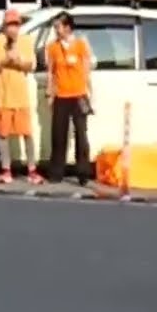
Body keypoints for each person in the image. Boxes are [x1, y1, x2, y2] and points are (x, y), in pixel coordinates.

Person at [0, 9, 43, 184]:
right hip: (2, 96)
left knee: (27, 133)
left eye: (16, 25)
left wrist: (18, 61)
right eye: (10, 25)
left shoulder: (26, 41)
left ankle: (32, 170)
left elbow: (31, 67)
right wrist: (5, 60)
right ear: (4, 27)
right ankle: (6, 171)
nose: (13, 29)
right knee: (3, 135)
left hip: (21, 96)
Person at [45, 11, 94, 185]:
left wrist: (91, 94)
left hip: (79, 94)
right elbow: (50, 72)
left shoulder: (81, 45)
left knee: (81, 134)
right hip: (61, 95)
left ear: (67, 27)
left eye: (58, 26)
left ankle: (83, 173)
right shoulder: (52, 47)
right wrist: (50, 94)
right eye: (55, 26)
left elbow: (87, 71)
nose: (56, 29)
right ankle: (56, 172)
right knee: (58, 135)